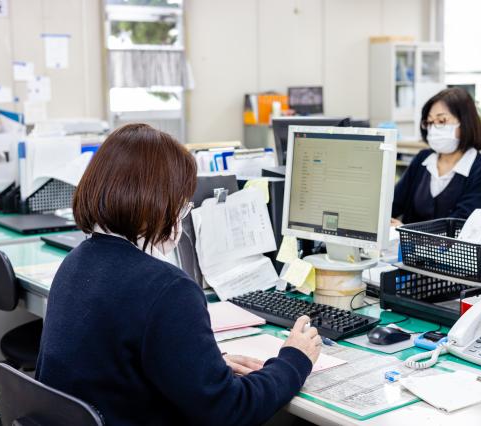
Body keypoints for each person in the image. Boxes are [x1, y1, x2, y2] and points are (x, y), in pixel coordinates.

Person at [36, 124, 321, 425]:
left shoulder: (76, 261)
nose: (181, 217)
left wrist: (205, 368)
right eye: (182, 204)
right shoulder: (168, 289)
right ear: (158, 203)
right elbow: (231, 411)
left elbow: (119, 363)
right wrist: (294, 359)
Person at [391, 88, 481, 225]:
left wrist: (404, 230)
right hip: (403, 245)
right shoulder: (422, 159)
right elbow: (393, 204)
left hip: (452, 246)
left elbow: (461, 226)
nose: (433, 128)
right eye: (429, 122)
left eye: (442, 121)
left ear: (465, 122)